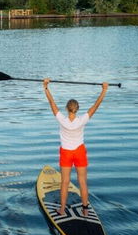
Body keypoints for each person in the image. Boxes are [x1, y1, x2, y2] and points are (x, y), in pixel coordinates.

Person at [43, 78, 108, 216]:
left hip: (66, 153)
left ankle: (61, 210)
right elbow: (96, 106)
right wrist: (104, 90)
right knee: (82, 182)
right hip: (79, 152)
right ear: (77, 109)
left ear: (67, 109)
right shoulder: (82, 120)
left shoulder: (61, 119)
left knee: (65, 182)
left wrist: (46, 87)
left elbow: (51, 103)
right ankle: (85, 210)